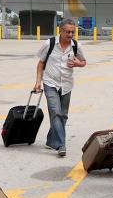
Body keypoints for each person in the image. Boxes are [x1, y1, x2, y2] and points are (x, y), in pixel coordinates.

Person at [34, 18, 88, 157]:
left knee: (63, 115)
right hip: (50, 83)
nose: (70, 35)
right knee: (56, 112)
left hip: (67, 85)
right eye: (67, 32)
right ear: (60, 31)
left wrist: (78, 64)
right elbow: (41, 64)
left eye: (72, 32)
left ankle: (51, 140)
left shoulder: (76, 46)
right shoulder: (50, 44)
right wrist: (38, 82)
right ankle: (61, 145)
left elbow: (84, 62)